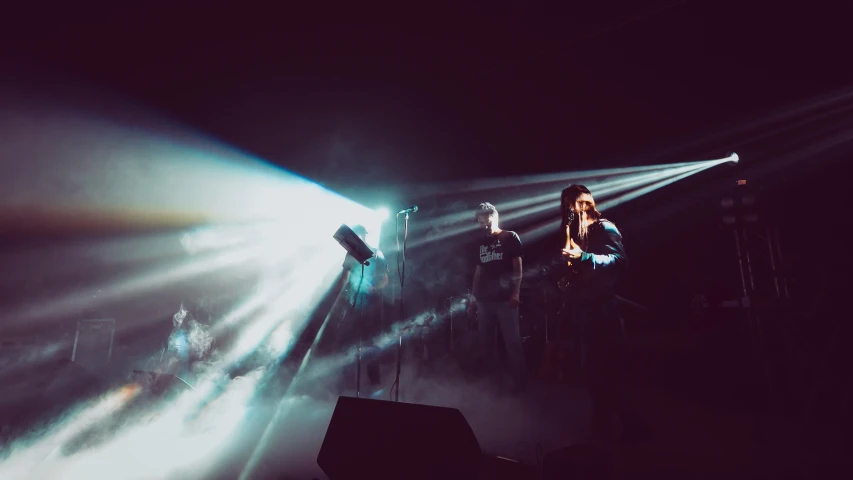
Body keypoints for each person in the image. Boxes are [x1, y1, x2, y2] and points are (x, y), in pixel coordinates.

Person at [557, 184, 653, 444]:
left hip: (602, 311)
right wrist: (568, 279)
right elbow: (582, 268)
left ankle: (617, 431)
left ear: (587, 202)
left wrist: (585, 257)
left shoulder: (605, 226)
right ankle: (618, 430)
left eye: (574, 202)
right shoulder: (578, 232)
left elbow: (619, 260)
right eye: (566, 203)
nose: (569, 208)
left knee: (600, 375)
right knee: (595, 376)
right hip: (585, 308)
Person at [468, 202, 527, 393]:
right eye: (478, 220)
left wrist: (516, 292)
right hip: (485, 301)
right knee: (486, 344)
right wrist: (473, 298)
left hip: (505, 300)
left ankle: (520, 385)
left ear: (492, 216)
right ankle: (494, 385)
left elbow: (518, 268)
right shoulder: (481, 242)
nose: (480, 222)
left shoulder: (510, 237)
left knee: (512, 343)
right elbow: (478, 272)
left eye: (483, 218)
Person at [328, 224, 389, 393]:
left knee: (370, 343)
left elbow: (385, 278)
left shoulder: (377, 253)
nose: (357, 238)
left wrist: (374, 288)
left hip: (371, 305)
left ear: (364, 235)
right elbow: (344, 277)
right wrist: (339, 299)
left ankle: (374, 382)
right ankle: (344, 383)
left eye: (359, 235)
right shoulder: (350, 254)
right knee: (347, 342)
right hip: (353, 303)